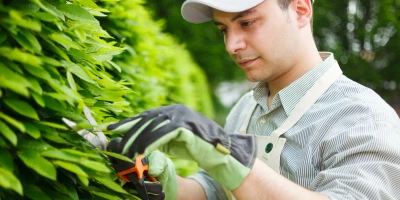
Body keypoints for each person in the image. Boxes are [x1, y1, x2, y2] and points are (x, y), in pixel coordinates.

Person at [108, 0, 400, 199]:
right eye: (224, 29)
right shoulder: (246, 108)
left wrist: (231, 158)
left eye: (247, 23)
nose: (232, 45)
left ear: (299, 9)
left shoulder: (364, 118)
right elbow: (216, 189)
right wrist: (163, 182)